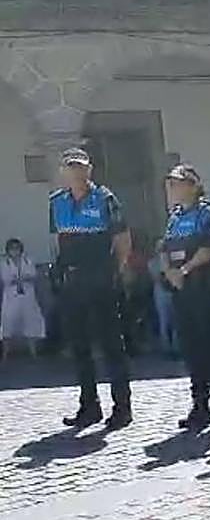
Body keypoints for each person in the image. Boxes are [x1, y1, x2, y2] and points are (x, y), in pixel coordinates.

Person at [50, 148, 133, 430]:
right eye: (70, 167)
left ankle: (122, 406)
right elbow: (59, 239)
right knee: (79, 346)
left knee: (111, 344)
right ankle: (89, 406)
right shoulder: (57, 202)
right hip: (72, 282)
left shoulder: (105, 198)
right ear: (63, 171)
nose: (76, 172)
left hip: (100, 279)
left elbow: (122, 239)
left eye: (80, 166)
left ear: (90, 169)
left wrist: (116, 273)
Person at [159, 164, 210, 432]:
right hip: (181, 291)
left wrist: (186, 269)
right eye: (171, 184)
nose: (174, 189)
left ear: (193, 186)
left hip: (204, 287)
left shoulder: (209, 213)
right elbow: (165, 248)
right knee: (191, 349)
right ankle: (200, 405)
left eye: (178, 183)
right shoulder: (175, 217)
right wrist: (169, 271)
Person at [1, 238, 45, 359]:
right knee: (8, 323)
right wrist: (20, 279)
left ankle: (33, 353)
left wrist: (22, 278)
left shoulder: (28, 261)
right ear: (8, 250)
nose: (15, 251)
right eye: (12, 248)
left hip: (27, 296)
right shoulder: (4, 263)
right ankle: (5, 354)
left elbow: (33, 276)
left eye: (17, 248)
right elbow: (6, 279)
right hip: (11, 297)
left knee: (31, 322)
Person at [146, 239, 179, 357]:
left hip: (172, 290)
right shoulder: (153, 262)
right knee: (164, 320)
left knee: (175, 320)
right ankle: (166, 348)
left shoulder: (172, 259)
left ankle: (176, 347)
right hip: (161, 291)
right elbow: (156, 277)